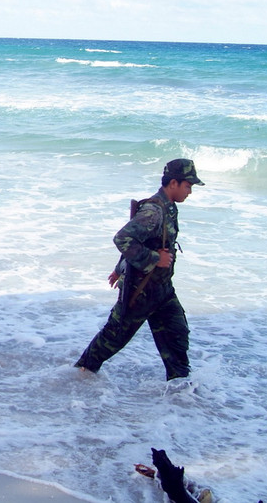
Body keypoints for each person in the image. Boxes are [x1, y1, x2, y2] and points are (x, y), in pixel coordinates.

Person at [74, 158, 204, 381]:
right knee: (112, 339)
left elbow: (140, 241)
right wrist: (155, 258)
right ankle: (79, 374)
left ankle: (180, 391)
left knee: (177, 336)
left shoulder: (169, 208)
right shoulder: (154, 211)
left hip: (162, 289)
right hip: (141, 291)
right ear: (174, 183)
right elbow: (123, 238)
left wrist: (120, 267)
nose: (190, 191)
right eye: (188, 185)